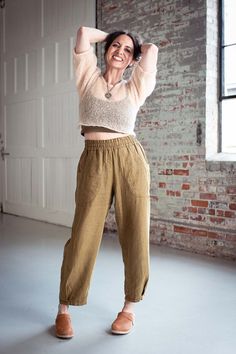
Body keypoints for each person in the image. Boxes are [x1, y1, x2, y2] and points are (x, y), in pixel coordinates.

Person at [55, 26, 158, 338]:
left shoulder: (136, 86)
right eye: (115, 46)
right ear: (106, 50)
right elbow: (83, 33)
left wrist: (134, 47)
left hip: (129, 158)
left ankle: (129, 308)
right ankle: (63, 309)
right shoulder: (88, 77)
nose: (120, 52)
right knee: (83, 231)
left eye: (127, 50)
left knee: (135, 231)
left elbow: (151, 50)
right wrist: (115, 36)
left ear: (132, 60)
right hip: (94, 158)